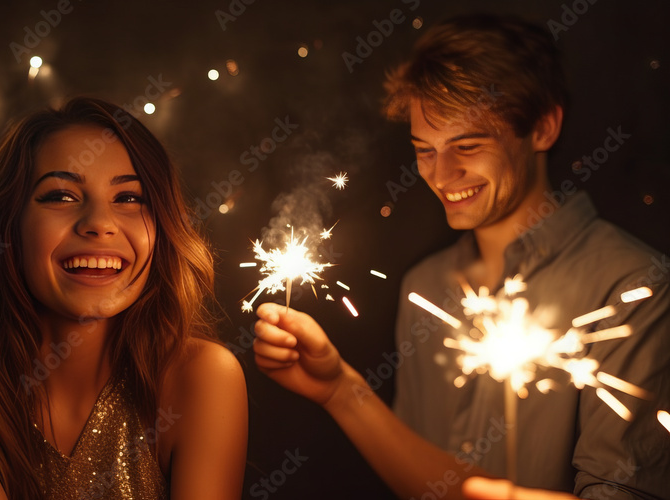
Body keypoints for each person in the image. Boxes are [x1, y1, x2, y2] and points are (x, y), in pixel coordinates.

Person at [253, 14, 669, 500]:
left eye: (467, 145)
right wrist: (340, 390)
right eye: (424, 150)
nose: (442, 175)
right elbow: (424, 485)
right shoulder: (425, 288)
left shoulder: (634, 287)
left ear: (543, 127)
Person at [0, 97, 248, 499]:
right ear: (8, 226)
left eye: (129, 198)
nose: (99, 224)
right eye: (61, 196)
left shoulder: (202, 376)